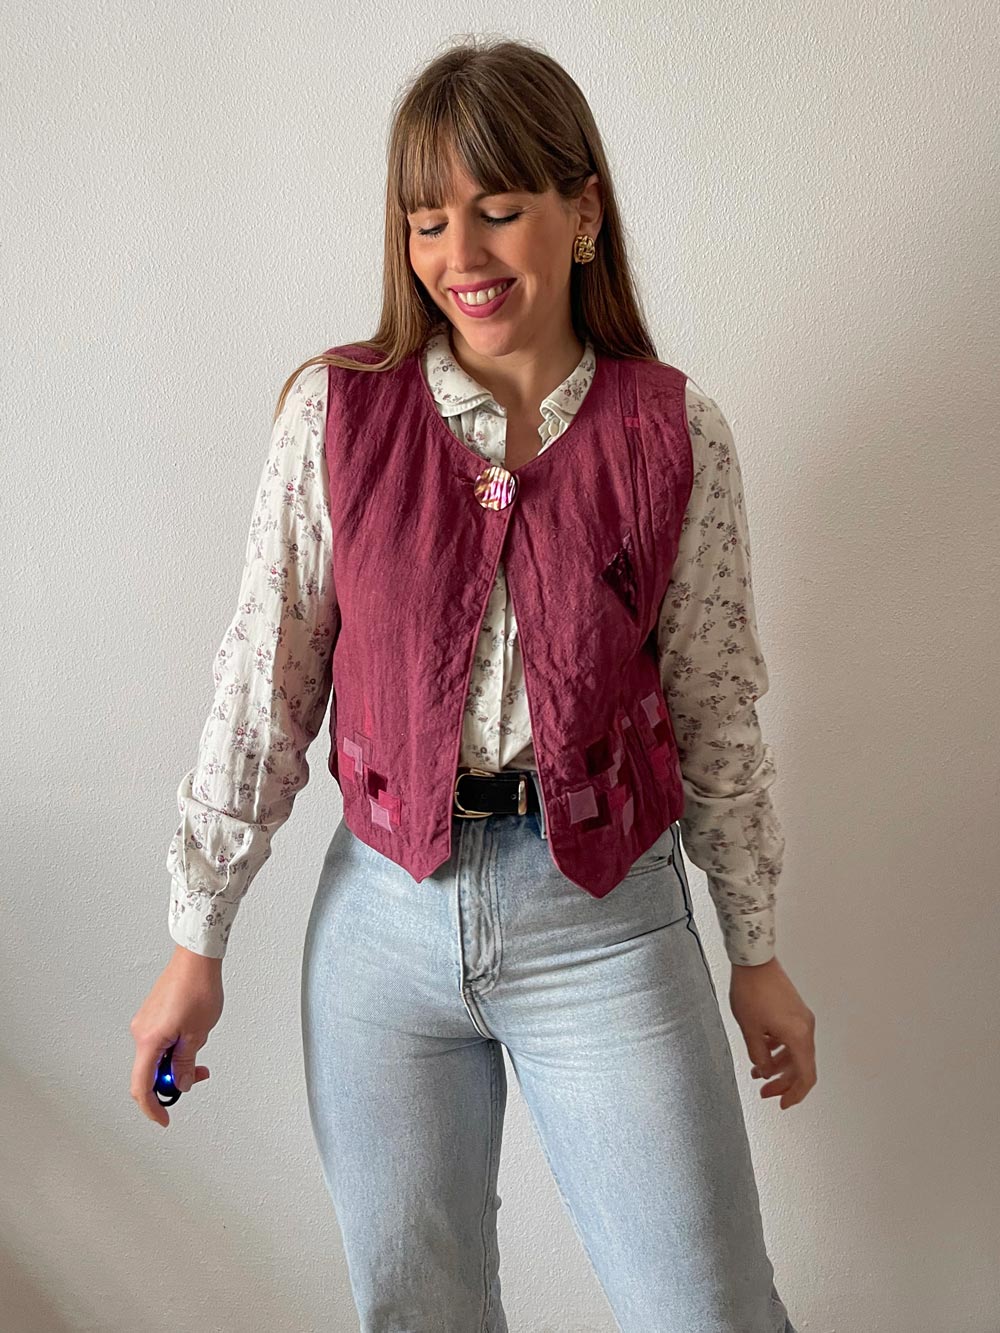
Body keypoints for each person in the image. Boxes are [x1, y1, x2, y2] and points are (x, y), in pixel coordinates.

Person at [130, 35, 814, 1332]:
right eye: (428, 221)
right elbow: (264, 693)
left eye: (498, 209)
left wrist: (756, 949)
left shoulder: (675, 432)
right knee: (418, 1314)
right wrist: (194, 941)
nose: (461, 255)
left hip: (607, 923)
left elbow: (717, 707)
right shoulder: (332, 417)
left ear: (583, 211)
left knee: (710, 1311)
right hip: (380, 931)